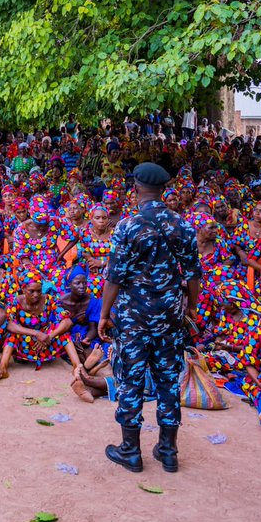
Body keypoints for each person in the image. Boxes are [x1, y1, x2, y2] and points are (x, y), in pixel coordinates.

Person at [99, 162, 200, 473]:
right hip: (170, 317)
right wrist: (191, 308)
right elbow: (194, 274)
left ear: (136, 189)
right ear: (164, 190)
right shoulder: (183, 225)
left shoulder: (127, 226)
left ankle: (131, 450)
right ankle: (168, 450)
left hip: (134, 318)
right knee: (169, 382)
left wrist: (104, 315)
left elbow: (114, 277)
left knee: (129, 381)